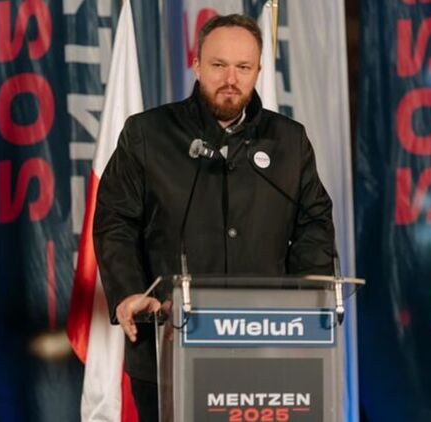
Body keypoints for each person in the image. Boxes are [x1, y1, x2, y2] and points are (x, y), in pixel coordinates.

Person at [93, 13, 335, 421]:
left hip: (265, 347)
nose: (231, 79)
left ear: (258, 71)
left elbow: (315, 224)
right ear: (197, 64)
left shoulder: (289, 141)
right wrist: (130, 292)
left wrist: (308, 301)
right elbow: (115, 222)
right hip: (168, 344)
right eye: (219, 65)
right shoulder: (147, 134)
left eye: (243, 67)